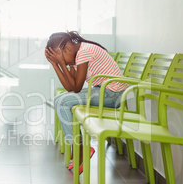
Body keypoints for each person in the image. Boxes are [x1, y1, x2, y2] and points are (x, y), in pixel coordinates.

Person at [45, 31, 127, 173]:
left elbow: (76, 88)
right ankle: (79, 147)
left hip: (112, 94)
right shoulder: (76, 56)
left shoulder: (84, 52)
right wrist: (56, 65)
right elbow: (69, 87)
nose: (64, 63)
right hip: (102, 91)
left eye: (63, 59)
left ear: (68, 49)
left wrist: (62, 64)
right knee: (59, 100)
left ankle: (79, 148)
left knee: (62, 102)